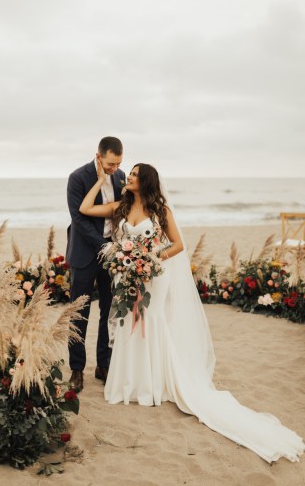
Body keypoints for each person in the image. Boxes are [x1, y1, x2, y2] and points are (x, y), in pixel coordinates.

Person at [79, 162, 305, 463]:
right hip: (126, 277)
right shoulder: (121, 206)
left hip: (152, 277)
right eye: (127, 174)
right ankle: (128, 383)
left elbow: (179, 244)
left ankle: (152, 384)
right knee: (129, 323)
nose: (128, 177)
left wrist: (150, 257)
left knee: (152, 321)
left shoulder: (161, 211)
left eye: (133, 174)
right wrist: (102, 180)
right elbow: (85, 209)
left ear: (145, 180)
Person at [66, 136, 126, 391]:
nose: (115, 168)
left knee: (109, 312)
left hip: (112, 255)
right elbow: (79, 219)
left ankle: (104, 364)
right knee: (79, 313)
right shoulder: (78, 177)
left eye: (118, 163)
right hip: (84, 253)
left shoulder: (122, 176)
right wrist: (104, 246)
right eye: (111, 163)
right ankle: (77, 370)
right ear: (99, 156)